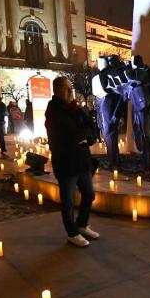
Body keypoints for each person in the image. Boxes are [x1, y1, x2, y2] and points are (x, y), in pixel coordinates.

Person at [45, 76, 99, 248]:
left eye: (71, 88)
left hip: (82, 160)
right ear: (57, 90)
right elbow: (63, 137)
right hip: (66, 162)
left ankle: (82, 225)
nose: (70, 92)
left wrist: (86, 138)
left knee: (89, 194)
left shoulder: (77, 108)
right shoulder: (54, 112)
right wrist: (82, 135)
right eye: (66, 88)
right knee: (68, 201)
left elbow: (92, 128)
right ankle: (72, 233)